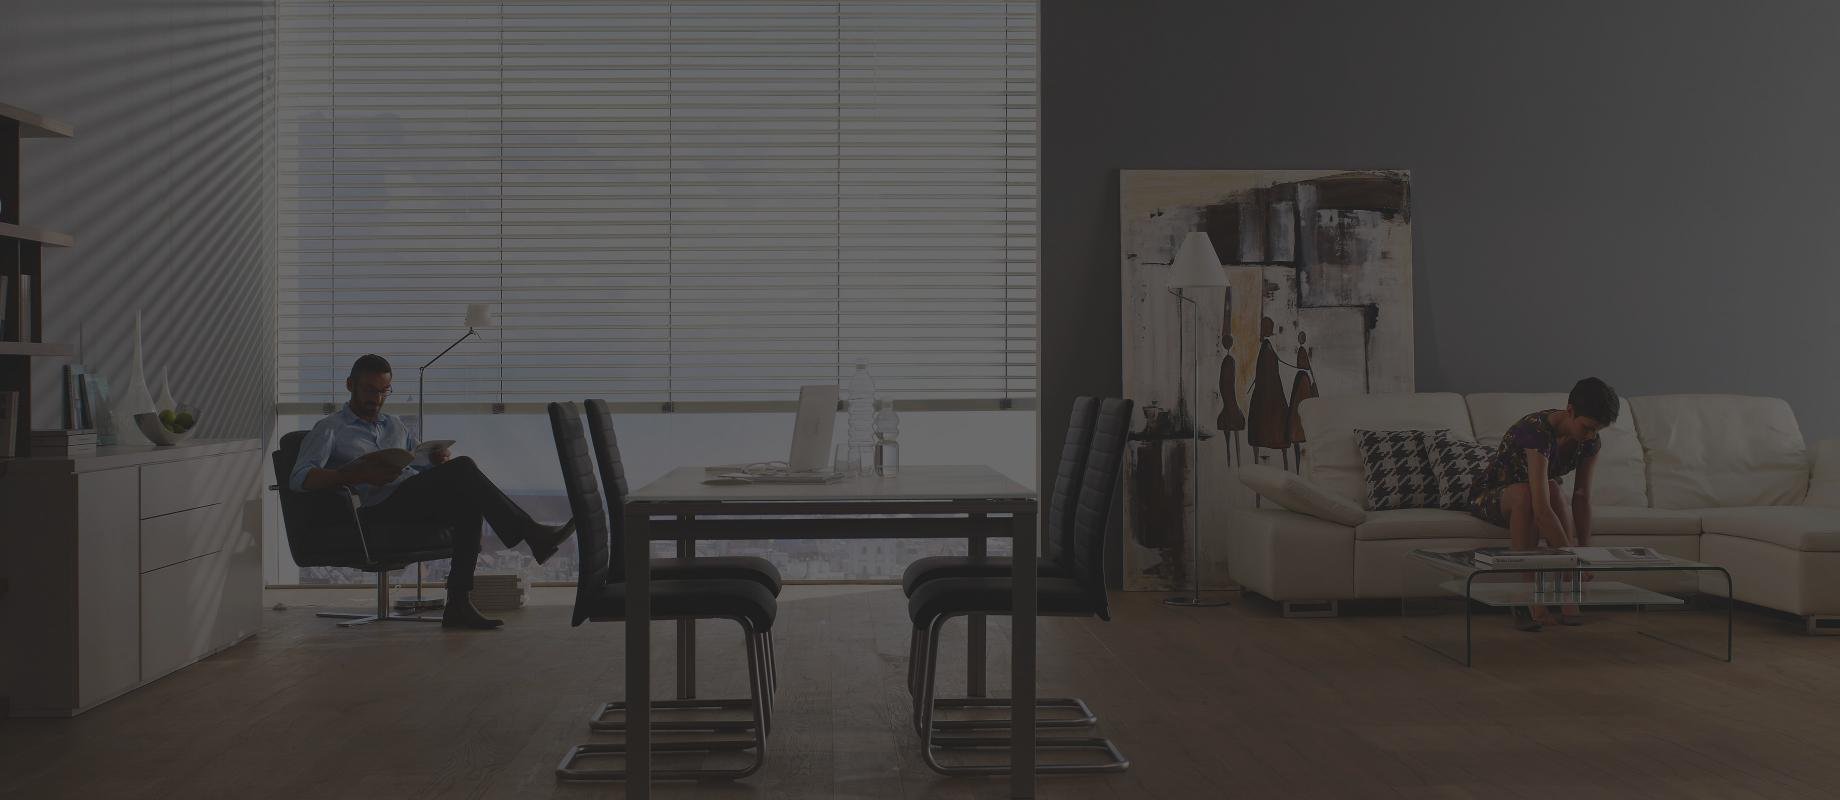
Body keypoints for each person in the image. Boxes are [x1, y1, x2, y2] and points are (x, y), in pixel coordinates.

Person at [289, 354, 575, 629]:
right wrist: (354, 474)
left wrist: (434, 461)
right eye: (369, 390)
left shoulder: (395, 425)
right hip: (377, 508)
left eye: (384, 391)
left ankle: (458, 604)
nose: (376, 399)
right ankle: (532, 534)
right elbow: (299, 477)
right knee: (464, 468)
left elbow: (416, 459)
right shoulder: (330, 429)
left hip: (411, 497)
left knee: (467, 501)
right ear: (350, 385)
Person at [1467, 377, 1620, 632]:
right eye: (1587, 428)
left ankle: (1568, 594)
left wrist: (1585, 551)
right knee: (1529, 495)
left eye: (1597, 430)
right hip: (1492, 495)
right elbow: (1541, 510)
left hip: (1536, 492)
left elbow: (1582, 496)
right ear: (1570, 411)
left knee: (1554, 490)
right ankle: (1527, 596)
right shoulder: (1536, 431)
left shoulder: (1589, 442)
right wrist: (1573, 560)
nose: (1591, 436)